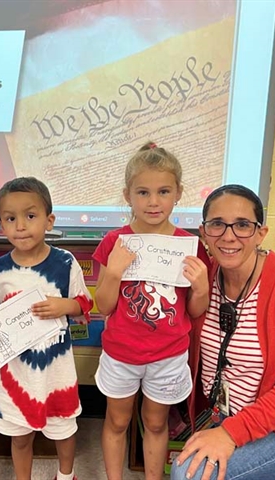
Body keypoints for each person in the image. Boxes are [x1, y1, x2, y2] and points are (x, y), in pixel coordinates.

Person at [170, 184, 275, 480]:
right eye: (217, 224)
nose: (228, 235)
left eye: (243, 225)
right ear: (203, 232)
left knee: (189, 474)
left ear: (261, 233)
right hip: (222, 415)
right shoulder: (201, 279)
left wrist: (231, 433)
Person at [92, 141, 210, 480]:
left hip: (169, 354)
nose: (153, 201)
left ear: (178, 193)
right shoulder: (115, 241)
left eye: (163, 191)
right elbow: (104, 305)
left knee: (156, 423)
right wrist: (114, 272)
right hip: (121, 352)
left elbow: (195, 309)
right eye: (143, 192)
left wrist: (200, 286)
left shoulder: (189, 245)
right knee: (117, 420)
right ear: (128, 195)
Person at [0, 177, 93, 480]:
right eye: (11, 218)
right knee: (20, 433)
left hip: (56, 372)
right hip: (16, 373)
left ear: (49, 220)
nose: (21, 226)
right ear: (1, 225)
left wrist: (65, 306)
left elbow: (84, 304)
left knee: (63, 429)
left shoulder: (65, 263)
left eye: (30, 216)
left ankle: (66, 475)